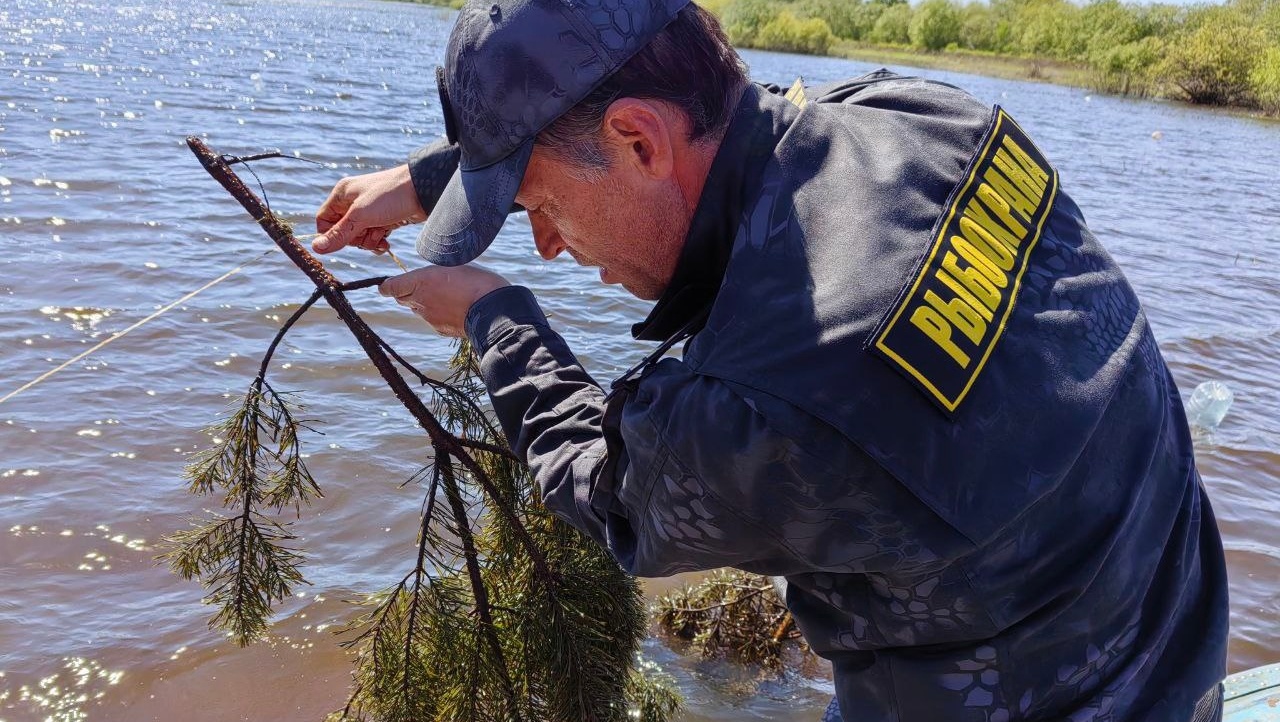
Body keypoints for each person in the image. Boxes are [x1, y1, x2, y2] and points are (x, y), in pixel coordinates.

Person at [312, 1, 1230, 720]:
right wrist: (449, 176)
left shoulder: (762, 404)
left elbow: (613, 499)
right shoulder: (923, 115)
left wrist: (495, 315)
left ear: (638, 141)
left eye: (539, 204)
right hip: (1177, 636)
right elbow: (740, 115)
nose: (547, 244)